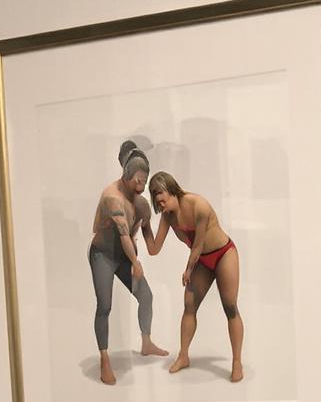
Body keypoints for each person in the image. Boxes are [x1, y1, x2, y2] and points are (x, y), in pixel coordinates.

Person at [146, 171, 243, 381]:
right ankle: (183, 356)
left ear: (171, 189)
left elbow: (198, 244)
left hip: (223, 253)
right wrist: (144, 224)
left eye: (160, 195)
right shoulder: (167, 217)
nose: (158, 202)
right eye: (154, 198)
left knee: (230, 306)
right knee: (189, 304)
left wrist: (188, 270)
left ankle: (237, 362)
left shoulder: (199, 205)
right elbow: (154, 249)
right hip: (201, 260)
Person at [87, 140, 166, 385]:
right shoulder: (113, 197)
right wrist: (135, 261)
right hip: (103, 254)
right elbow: (123, 235)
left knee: (147, 296)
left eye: (145, 179)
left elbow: (151, 245)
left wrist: (169, 222)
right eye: (138, 179)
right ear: (127, 174)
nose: (141, 184)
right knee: (105, 305)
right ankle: (104, 358)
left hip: (123, 256)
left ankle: (146, 341)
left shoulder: (142, 205)